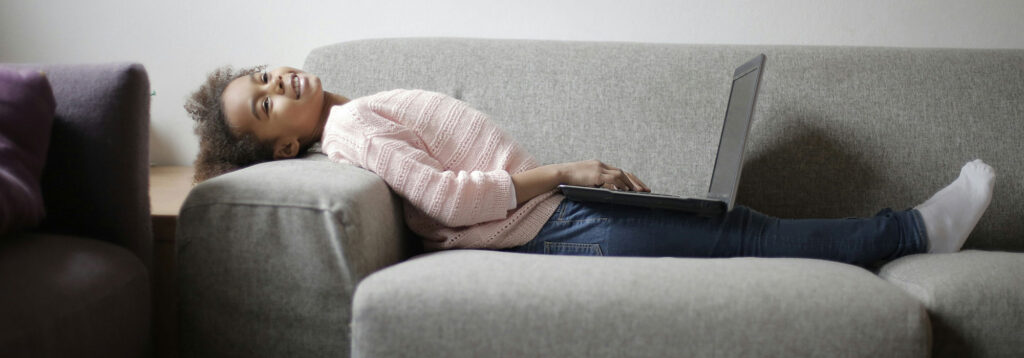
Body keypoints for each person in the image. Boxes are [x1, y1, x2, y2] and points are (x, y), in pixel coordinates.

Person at [185, 65, 996, 268]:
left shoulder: (349, 117)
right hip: (551, 222)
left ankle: (906, 231)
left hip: (552, 214)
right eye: (263, 105)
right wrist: (571, 172)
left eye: (265, 75)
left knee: (735, 229)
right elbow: (446, 200)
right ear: (284, 146)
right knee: (741, 236)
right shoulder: (351, 132)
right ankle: (910, 232)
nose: (277, 83)